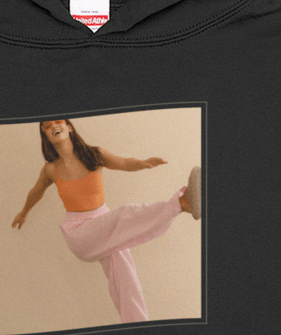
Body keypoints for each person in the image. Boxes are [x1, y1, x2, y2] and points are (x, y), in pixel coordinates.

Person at [11, 118, 201, 324]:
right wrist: (23, 213)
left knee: (127, 278)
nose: (53, 126)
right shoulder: (50, 169)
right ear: (45, 136)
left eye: (58, 122)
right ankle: (182, 203)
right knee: (124, 214)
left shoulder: (94, 154)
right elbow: (36, 192)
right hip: (80, 233)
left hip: (105, 224)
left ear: (69, 127)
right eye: (47, 126)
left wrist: (144, 163)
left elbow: (123, 163)